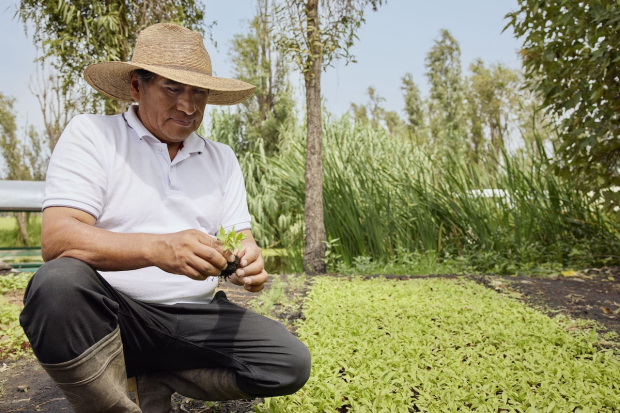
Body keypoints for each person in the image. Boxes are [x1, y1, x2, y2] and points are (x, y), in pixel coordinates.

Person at [19, 23, 311, 413]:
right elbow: (58, 239)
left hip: (196, 317)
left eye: (198, 93)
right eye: (173, 89)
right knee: (56, 285)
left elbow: (242, 235)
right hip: (115, 317)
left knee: (288, 364)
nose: (188, 107)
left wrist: (249, 260)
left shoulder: (220, 157)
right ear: (137, 87)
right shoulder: (93, 135)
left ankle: (150, 377)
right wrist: (158, 249)